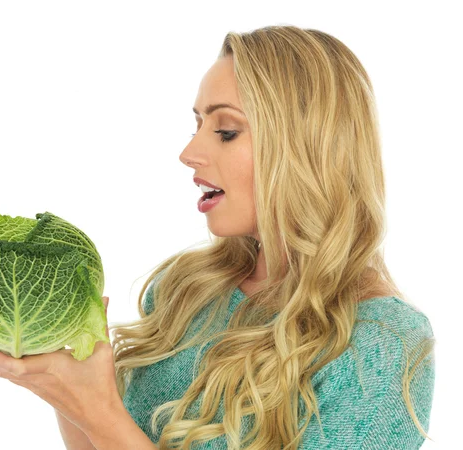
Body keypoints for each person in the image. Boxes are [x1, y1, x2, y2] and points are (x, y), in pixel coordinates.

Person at [112, 25, 435, 449]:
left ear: (305, 145)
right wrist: (66, 388)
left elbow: (102, 423)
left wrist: (92, 406)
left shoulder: (381, 345)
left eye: (226, 131)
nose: (188, 153)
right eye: (197, 125)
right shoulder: (184, 288)